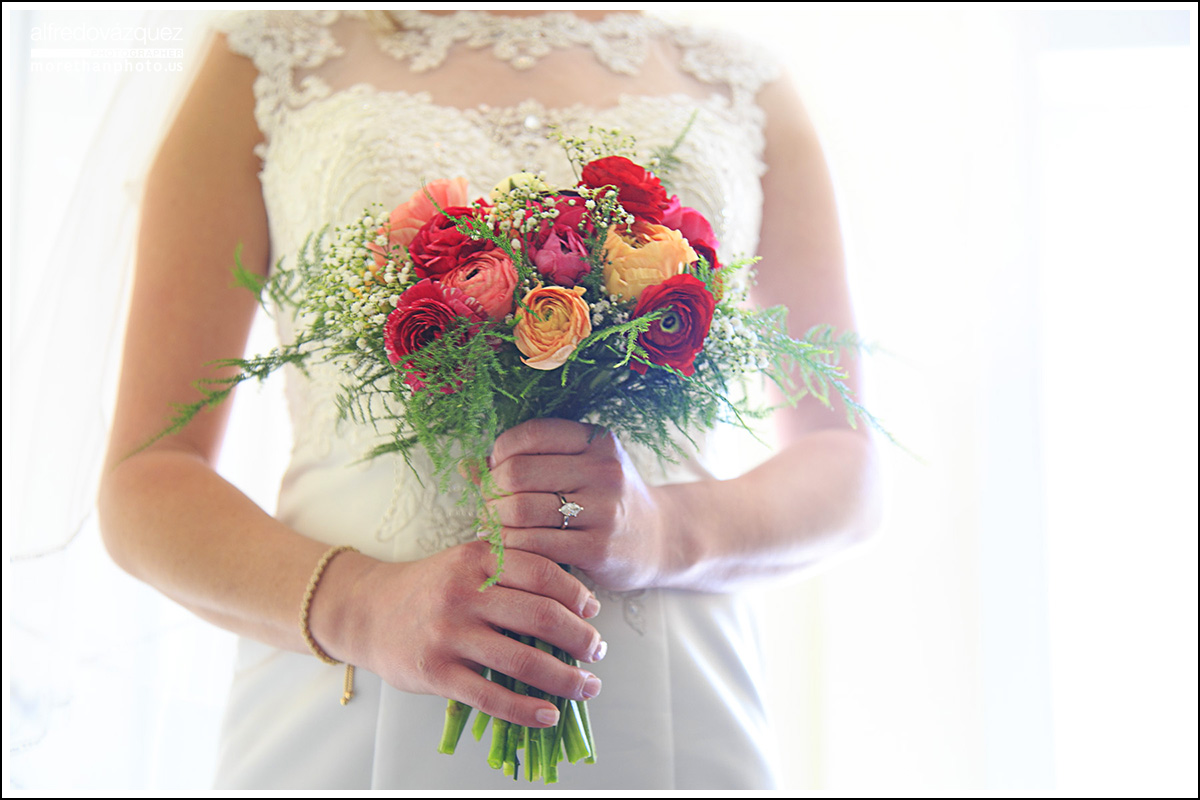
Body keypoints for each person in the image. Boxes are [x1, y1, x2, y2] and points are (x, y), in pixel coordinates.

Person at [97, 9, 880, 789]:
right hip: (351, 697)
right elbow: (147, 477)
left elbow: (844, 462)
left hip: (670, 695)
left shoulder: (739, 82)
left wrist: (666, 530)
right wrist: (360, 606)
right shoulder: (272, 58)